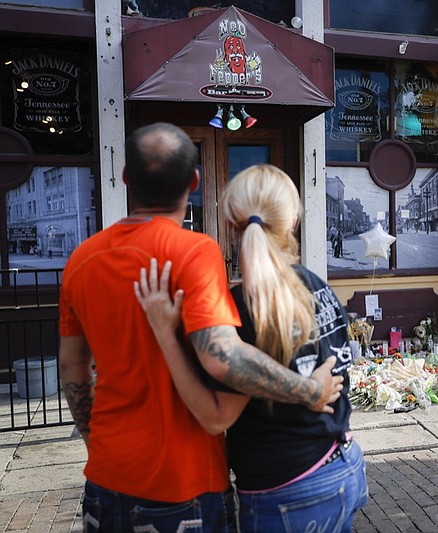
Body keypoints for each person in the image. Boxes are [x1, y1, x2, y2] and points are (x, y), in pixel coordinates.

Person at [58, 123, 343, 532]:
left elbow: (72, 369)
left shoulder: (80, 261)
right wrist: (310, 391)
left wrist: (97, 444)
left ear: (124, 178)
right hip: (185, 484)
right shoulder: (195, 252)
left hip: (106, 478)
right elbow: (222, 356)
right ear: (194, 182)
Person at [135, 164, 369, 533]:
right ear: (292, 221)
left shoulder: (243, 307)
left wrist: (165, 332)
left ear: (230, 225)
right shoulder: (316, 286)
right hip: (343, 462)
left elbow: (216, 417)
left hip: (288, 487)